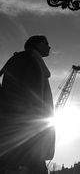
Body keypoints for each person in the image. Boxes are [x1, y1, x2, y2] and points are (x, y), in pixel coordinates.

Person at [0, 35, 55, 174]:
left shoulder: (28, 59)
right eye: (46, 43)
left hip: (26, 125)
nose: (49, 46)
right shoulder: (29, 59)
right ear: (37, 44)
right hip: (27, 125)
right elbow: (28, 92)